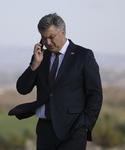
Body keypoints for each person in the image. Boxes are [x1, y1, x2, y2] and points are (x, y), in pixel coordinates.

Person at [9, 13, 103, 150]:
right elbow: (22, 89)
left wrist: (84, 125)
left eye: (51, 37)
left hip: (73, 130)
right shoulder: (41, 57)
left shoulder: (83, 56)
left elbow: (95, 94)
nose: (47, 43)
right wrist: (34, 65)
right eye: (44, 38)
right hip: (44, 131)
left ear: (62, 32)